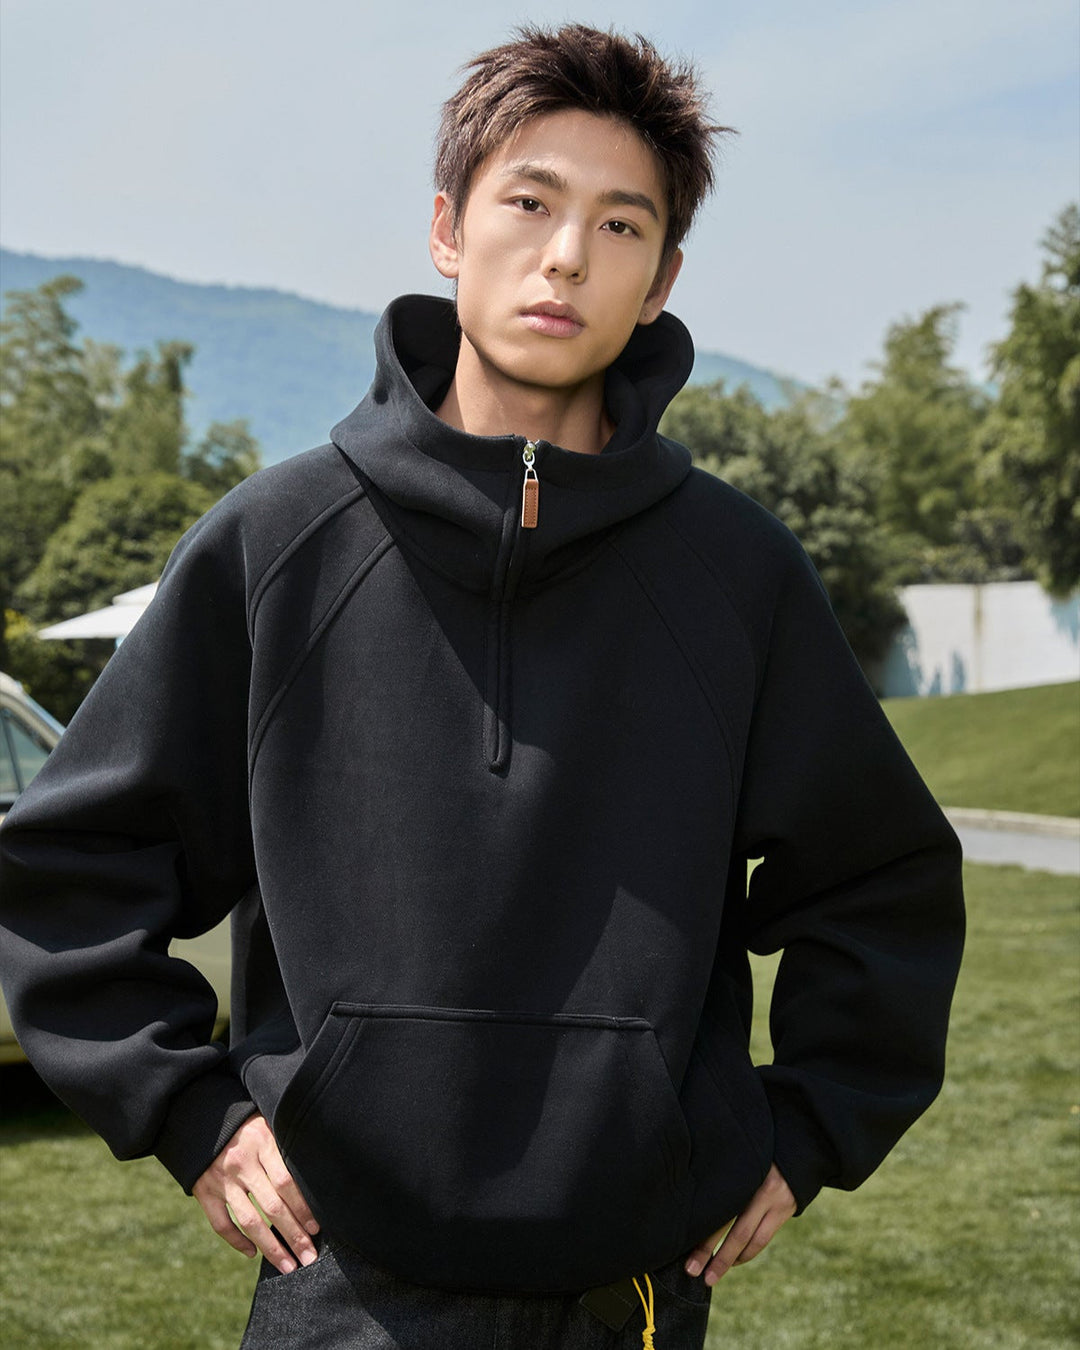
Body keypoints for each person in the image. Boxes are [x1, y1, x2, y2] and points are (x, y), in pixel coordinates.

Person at [0, 22, 965, 1350]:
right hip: (341, 1292)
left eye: (620, 225)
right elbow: (69, 869)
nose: (567, 256)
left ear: (662, 279)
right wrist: (190, 1113)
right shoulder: (279, 543)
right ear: (449, 229)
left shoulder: (736, 573)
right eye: (530, 202)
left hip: (628, 1298)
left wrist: (807, 1129)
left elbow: (882, 884)